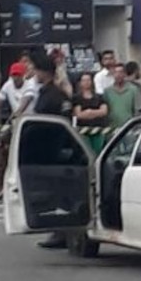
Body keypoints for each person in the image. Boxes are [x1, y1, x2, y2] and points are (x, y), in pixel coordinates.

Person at [31, 53, 73, 250]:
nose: (34, 74)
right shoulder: (56, 94)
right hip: (56, 149)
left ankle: (61, 231)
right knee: (58, 192)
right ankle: (59, 230)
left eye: (36, 70)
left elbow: (48, 124)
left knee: (58, 193)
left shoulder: (51, 96)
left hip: (52, 150)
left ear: (43, 72)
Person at [72, 72, 109, 153]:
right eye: (84, 80)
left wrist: (90, 112)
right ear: (80, 83)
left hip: (98, 129)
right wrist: (96, 113)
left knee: (98, 151)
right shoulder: (76, 98)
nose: (86, 82)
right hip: (83, 131)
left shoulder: (99, 97)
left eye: (88, 80)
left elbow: (104, 111)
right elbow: (78, 114)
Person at [103, 64, 139, 129]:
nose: (118, 75)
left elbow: (137, 110)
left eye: (120, 72)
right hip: (112, 128)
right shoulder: (107, 91)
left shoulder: (133, 89)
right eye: (115, 72)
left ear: (125, 74)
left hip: (130, 127)